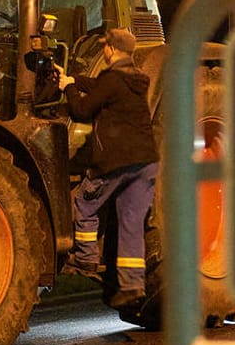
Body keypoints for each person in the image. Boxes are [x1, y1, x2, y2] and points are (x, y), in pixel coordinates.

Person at [55, 27, 158, 310]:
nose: (104, 50)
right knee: (131, 223)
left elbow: (82, 111)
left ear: (111, 50)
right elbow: (102, 88)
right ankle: (133, 286)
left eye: (105, 47)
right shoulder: (136, 79)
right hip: (146, 163)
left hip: (116, 161)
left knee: (84, 203)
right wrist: (75, 79)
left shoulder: (113, 79)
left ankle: (86, 258)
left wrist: (69, 89)